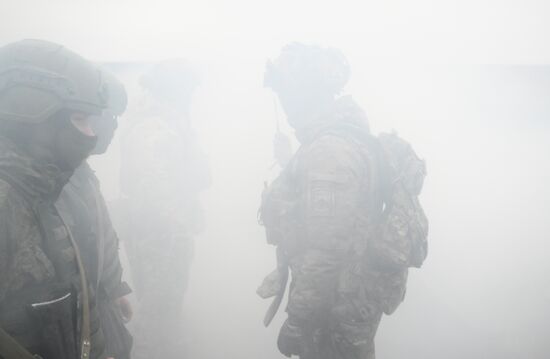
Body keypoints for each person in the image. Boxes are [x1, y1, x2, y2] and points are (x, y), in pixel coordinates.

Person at [258, 43, 428, 359]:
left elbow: (326, 251)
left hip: (335, 310)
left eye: (288, 93)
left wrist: (299, 319)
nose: (284, 103)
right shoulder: (339, 139)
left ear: (305, 94)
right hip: (346, 302)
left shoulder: (329, 150)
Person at [0, 39, 109, 359]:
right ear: (34, 116)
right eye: (79, 119)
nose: (91, 135)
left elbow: (77, 292)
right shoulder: (7, 203)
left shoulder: (46, 192)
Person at [119, 60, 210, 359]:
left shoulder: (172, 124)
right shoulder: (155, 129)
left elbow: (194, 176)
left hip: (167, 237)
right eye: (187, 90)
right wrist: (176, 231)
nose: (191, 97)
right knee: (157, 317)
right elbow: (153, 197)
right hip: (160, 241)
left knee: (166, 314)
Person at [56, 69, 133, 359]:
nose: (111, 127)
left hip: (99, 303)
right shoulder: (54, 180)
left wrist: (114, 288)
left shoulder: (79, 171)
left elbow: (99, 234)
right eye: (105, 117)